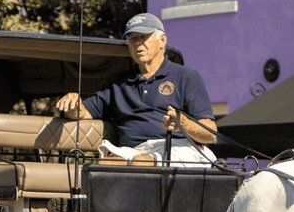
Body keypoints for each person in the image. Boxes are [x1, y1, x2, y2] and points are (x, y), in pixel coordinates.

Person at [55, 12, 218, 166]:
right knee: (104, 166)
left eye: (144, 37)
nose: (138, 43)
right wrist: (73, 102)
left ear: (162, 40)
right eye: (132, 38)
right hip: (134, 151)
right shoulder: (118, 83)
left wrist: (184, 124)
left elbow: (211, 134)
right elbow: (82, 113)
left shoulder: (185, 76)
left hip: (180, 148)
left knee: (141, 163)